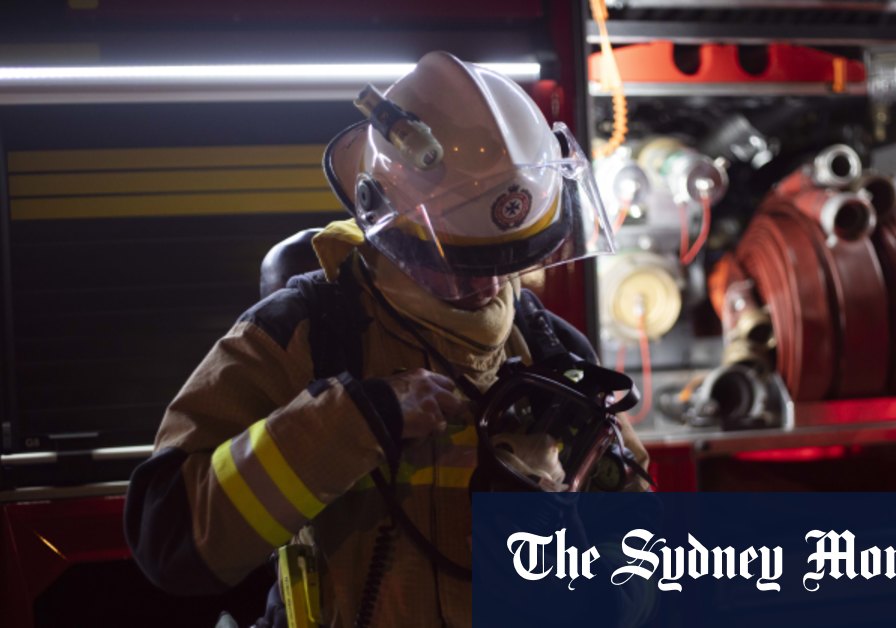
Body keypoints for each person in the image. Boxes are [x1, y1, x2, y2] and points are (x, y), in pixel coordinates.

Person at [124, 51, 650, 627]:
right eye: (462, 262)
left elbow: (639, 556)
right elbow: (168, 539)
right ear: (388, 230)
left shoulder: (555, 352)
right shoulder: (303, 333)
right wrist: (350, 424)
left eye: (512, 260)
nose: (491, 286)